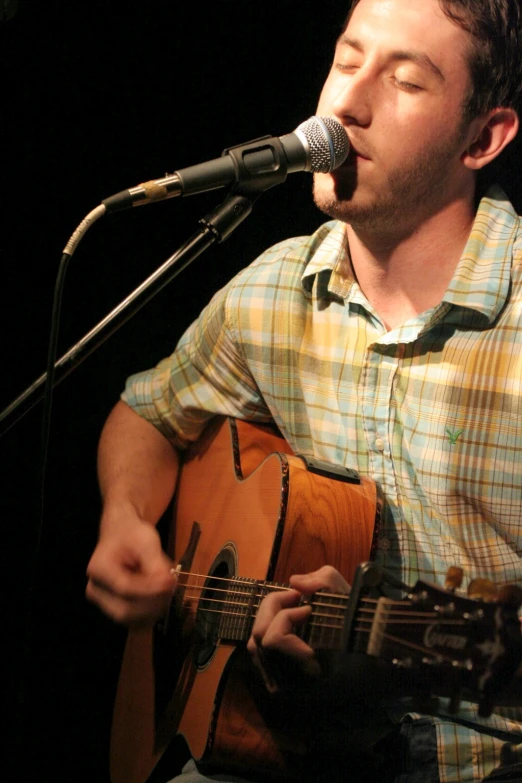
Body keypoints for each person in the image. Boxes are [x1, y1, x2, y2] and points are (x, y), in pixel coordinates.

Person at [86, 0, 522, 781]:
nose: (347, 103)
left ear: (482, 137)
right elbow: (146, 413)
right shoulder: (274, 290)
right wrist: (125, 520)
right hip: (284, 748)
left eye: (406, 81)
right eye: (347, 60)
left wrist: (383, 659)